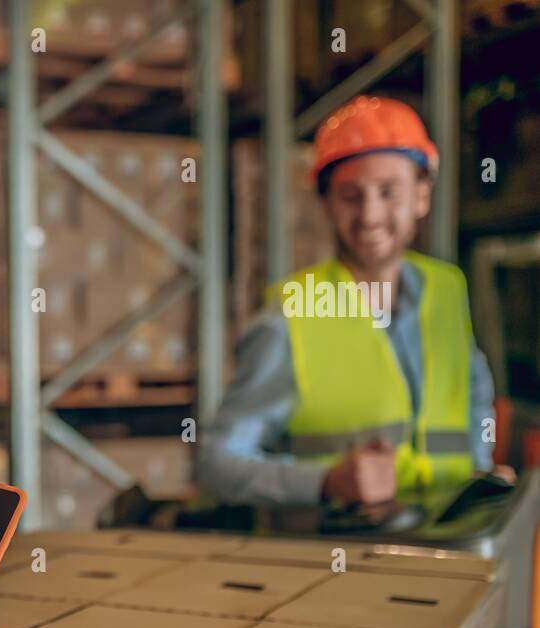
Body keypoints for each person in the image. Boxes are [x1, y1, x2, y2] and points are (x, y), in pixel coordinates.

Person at [198, 95, 509, 509]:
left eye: (388, 191)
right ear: (325, 204)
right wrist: (324, 482)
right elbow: (215, 463)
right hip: (346, 557)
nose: (370, 215)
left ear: (422, 195)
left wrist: (479, 465)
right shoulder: (290, 318)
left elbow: (474, 389)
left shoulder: (446, 290)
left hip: (450, 544)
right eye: (350, 195)